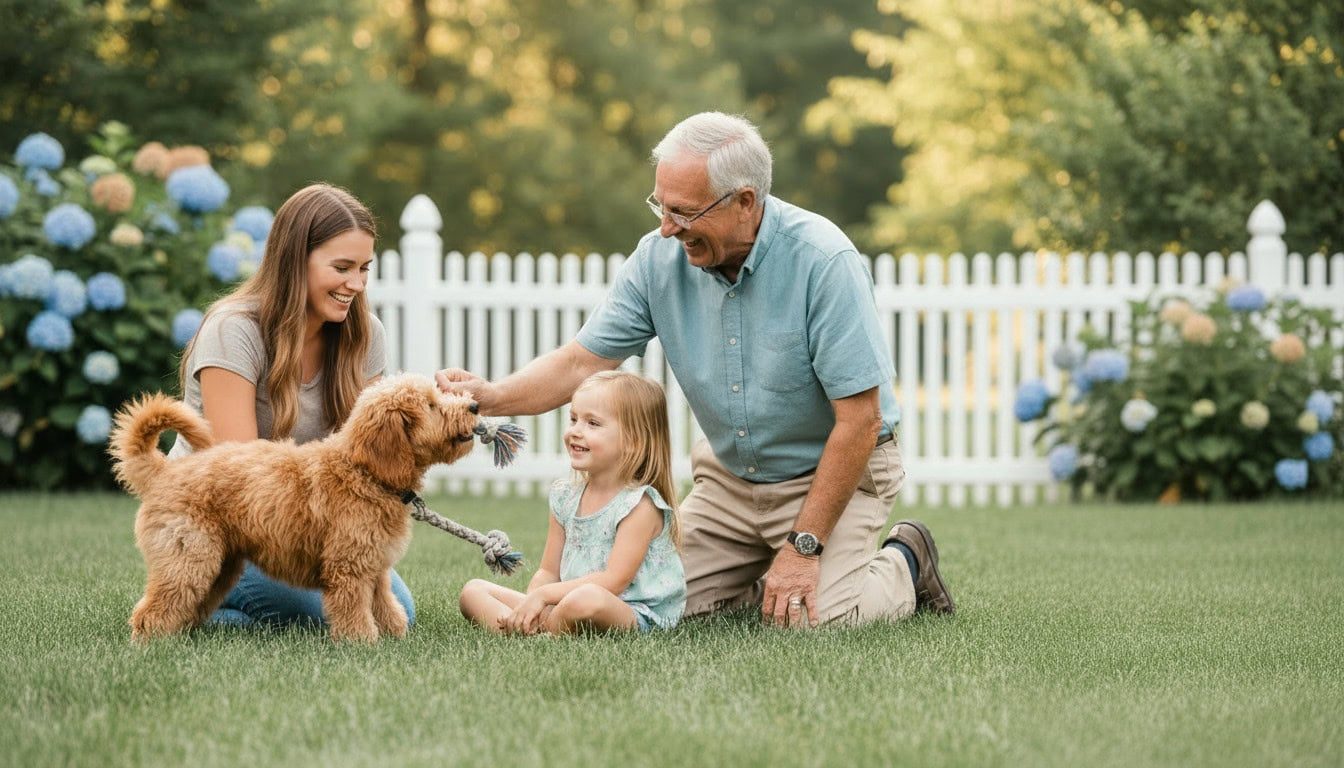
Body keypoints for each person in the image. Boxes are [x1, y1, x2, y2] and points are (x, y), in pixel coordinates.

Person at [439, 112, 954, 629]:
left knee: (817, 621)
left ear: (745, 202)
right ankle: (758, 574)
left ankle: (905, 563)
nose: (666, 228)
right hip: (730, 480)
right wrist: (492, 396)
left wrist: (803, 547)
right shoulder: (656, 259)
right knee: (653, 604)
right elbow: (580, 361)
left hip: (829, 477)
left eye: (683, 212)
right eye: (660, 207)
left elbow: (860, 421)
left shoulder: (823, 261)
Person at [171, 182, 415, 629]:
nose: (356, 285)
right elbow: (239, 473)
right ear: (293, 259)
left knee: (397, 611)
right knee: (326, 614)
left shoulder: (366, 335)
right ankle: (197, 602)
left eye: (364, 268)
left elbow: (367, 460)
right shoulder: (234, 330)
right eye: (342, 267)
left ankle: (224, 613)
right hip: (226, 522)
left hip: (316, 524)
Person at [458, 371, 685, 634]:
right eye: (574, 419)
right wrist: (534, 600)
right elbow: (548, 571)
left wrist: (546, 598)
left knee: (587, 598)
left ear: (633, 441)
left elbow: (613, 581)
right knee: (473, 591)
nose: (575, 431)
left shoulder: (639, 505)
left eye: (593, 423)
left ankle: (538, 632)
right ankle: (533, 629)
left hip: (629, 611)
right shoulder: (565, 497)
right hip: (566, 602)